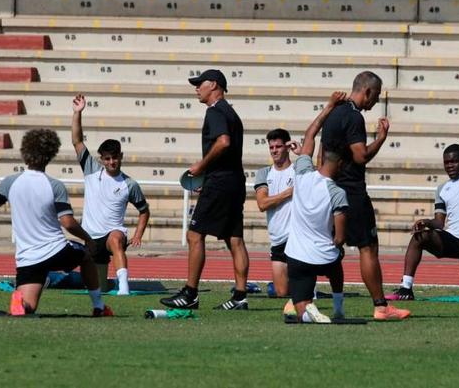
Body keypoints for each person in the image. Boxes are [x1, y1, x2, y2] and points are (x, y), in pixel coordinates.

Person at [0, 128, 112, 316]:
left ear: (25, 153)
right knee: (86, 256)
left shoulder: (9, 183)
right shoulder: (54, 185)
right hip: (55, 250)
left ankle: (20, 302)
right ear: (50, 155)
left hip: (28, 258)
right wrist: (88, 239)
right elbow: (67, 222)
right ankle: (99, 307)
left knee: (28, 308)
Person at [390, 81, 459, 301]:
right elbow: (440, 222)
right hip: (452, 239)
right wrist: (427, 222)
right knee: (419, 236)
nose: (449, 166)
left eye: (454, 162)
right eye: (446, 162)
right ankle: (406, 288)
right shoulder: (443, 188)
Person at [320, 71, 410, 320]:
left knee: (327, 247)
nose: (375, 100)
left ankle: (299, 298)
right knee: (367, 247)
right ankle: (381, 307)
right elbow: (360, 156)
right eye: (377, 95)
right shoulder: (352, 116)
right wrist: (381, 139)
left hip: (328, 188)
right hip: (352, 191)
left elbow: (321, 154)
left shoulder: (333, 113)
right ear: (367, 91)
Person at [161, 69, 249, 311]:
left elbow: (223, 142)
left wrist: (202, 166)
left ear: (214, 85)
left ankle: (190, 293)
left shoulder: (216, 111)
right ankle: (240, 296)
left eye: (200, 83)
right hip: (234, 181)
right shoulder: (232, 113)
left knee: (194, 234)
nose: (196, 88)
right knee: (235, 239)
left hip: (220, 182)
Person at [72, 94, 151, 295]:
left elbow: (144, 210)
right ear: (102, 159)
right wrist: (77, 113)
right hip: (90, 237)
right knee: (96, 287)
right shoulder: (91, 170)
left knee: (116, 240)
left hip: (112, 233)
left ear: (121, 157)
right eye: (107, 159)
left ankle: (124, 287)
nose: (111, 162)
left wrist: (138, 234)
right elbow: (77, 140)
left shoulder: (129, 184)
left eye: (115, 158)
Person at [285, 92, 349, 323]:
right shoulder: (337, 193)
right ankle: (338, 305)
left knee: (301, 312)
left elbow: (310, 133)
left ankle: (307, 310)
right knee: (336, 261)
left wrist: (329, 106)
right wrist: (336, 245)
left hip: (296, 255)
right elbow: (340, 237)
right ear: (340, 163)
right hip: (323, 255)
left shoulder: (302, 172)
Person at [254, 128, 297, 314]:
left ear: (287, 147)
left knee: (300, 285)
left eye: (278, 146)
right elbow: (262, 203)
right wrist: (288, 193)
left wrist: (302, 153)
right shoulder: (264, 173)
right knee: (281, 292)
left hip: (296, 236)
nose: (274, 150)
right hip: (277, 238)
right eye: (271, 147)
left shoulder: (298, 170)